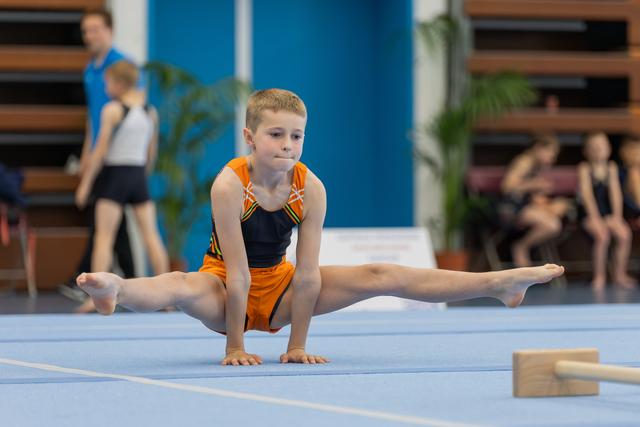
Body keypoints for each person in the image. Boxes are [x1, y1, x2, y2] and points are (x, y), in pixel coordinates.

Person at [77, 89, 565, 366]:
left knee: (381, 273)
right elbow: (240, 274)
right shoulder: (230, 184)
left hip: (285, 287)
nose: (288, 145)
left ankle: (500, 283)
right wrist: (235, 347)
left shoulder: (310, 187)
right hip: (224, 285)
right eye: (275, 135)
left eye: (296, 135)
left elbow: (307, 273)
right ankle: (117, 289)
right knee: (180, 286)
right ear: (249, 137)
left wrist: (297, 346)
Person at [59, 8, 135, 302]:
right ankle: (128, 278)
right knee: (114, 223)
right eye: (86, 31)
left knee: (105, 223)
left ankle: (92, 282)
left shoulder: (122, 65)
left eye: (95, 29)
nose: (90, 36)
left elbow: (133, 110)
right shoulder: (91, 69)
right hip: (100, 153)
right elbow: (93, 120)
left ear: (109, 30)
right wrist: (87, 155)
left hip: (118, 158)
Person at [75, 60, 169, 289]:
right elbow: (151, 153)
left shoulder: (113, 110)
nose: (106, 87)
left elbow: (100, 150)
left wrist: (86, 184)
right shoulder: (150, 112)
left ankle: (96, 295)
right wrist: (141, 176)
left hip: (115, 176)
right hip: (137, 175)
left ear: (119, 84)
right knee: (151, 236)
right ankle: (167, 293)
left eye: (107, 82)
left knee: (104, 238)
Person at [577, 131, 635, 291]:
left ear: (609, 148)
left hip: (608, 214)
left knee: (624, 234)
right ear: (586, 151)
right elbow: (587, 196)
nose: (598, 150)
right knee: (602, 236)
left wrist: (616, 217)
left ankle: (619, 274)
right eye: (593, 147)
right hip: (589, 214)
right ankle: (599, 276)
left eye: (601, 146)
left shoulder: (611, 167)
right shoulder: (584, 168)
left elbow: (616, 194)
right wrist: (595, 218)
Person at [501, 135, 570, 267]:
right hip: (510, 209)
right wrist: (533, 185)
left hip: (523, 205)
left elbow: (529, 194)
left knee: (559, 208)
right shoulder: (524, 161)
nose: (552, 158)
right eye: (550, 152)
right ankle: (521, 246)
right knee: (552, 225)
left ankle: (523, 247)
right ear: (538, 148)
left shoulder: (535, 166)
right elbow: (507, 187)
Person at [618, 135, 640, 223]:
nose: (635, 155)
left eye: (637, 151)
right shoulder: (622, 172)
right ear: (622, 152)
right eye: (632, 150)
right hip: (630, 213)